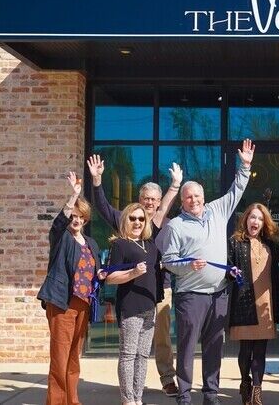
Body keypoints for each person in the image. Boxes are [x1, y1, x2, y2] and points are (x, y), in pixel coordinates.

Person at [156, 139, 255, 405]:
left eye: (197, 196)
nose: (194, 200)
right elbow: (168, 261)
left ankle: (211, 394)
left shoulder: (217, 210)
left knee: (214, 346)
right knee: (187, 347)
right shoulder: (175, 226)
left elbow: (236, 190)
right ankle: (184, 395)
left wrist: (245, 166)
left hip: (219, 293)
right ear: (182, 201)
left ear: (203, 196)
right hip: (191, 295)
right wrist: (188, 264)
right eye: (188, 197)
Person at [87, 154, 183, 397]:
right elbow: (103, 207)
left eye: (153, 199)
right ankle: (130, 394)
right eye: (145, 199)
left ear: (158, 202)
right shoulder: (126, 221)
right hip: (132, 293)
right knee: (131, 350)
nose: (149, 203)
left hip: (160, 289)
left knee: (160, 338)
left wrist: (175, 185)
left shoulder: (161, 223)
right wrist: (97, 182)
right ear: (139, 201)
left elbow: (165, 207)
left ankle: (166, 379)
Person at [37, 171, 105, 405]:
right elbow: (58, 224)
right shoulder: (61, 238)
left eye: (80, 217)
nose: (76, 220)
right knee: (60, 355)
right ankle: (56, 402)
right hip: (62, 302)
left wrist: (100, 275)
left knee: (74, 356)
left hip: (84, 304)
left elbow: (93, 271)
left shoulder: (92, 243)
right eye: (73, 216)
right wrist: (74, 195)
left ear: (86, 219)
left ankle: (72, 400)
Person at [228, 203, 279, 405]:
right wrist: (231, 272)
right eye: (253, 217)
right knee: (246, 351)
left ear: (264, 223)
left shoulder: (270, 243)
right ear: (246, 219)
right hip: (244, 303)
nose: (256, 222)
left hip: (265, 303)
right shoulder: (235, 242)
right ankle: (245, 382)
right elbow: (227, 267)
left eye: (260, 219)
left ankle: (257, 391)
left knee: (260, 351)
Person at [105, 203, 164, 405]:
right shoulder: (120, 245)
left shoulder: (151, 245)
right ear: (125, 220)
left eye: (141, 219)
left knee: (142, 356)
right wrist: (133, 273)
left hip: (149, 307)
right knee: (128, 355)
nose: (137, 222)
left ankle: (138, 398)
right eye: (133, 218)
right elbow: (110, 277)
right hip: (130, 307)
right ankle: (127, 400)